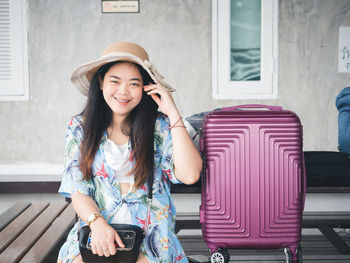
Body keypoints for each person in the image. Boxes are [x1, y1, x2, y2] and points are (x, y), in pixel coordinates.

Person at [57, 42, 202, 263]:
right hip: (96, 228)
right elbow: (77, 190)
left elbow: (190, 174)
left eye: (134, 83)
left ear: (146, 87)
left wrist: (173, 113)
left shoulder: (159, 126)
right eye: (115, 81)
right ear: (101, 82)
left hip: (152, 233)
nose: (123, 91)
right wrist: (96, 224)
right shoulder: (80, 127)